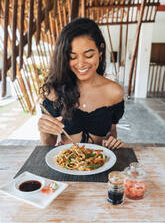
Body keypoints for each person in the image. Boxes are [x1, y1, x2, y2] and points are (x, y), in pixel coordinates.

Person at [38, 17, 125, 149]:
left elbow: (111, 131)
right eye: (72, 57)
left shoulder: (114, 92)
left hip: (98, 162)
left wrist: (112, 141)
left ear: (100, 50)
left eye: (89, 55)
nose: (80, 64)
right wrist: (43, 129)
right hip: (67, 163)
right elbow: (48, 144)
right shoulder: (55, 91)